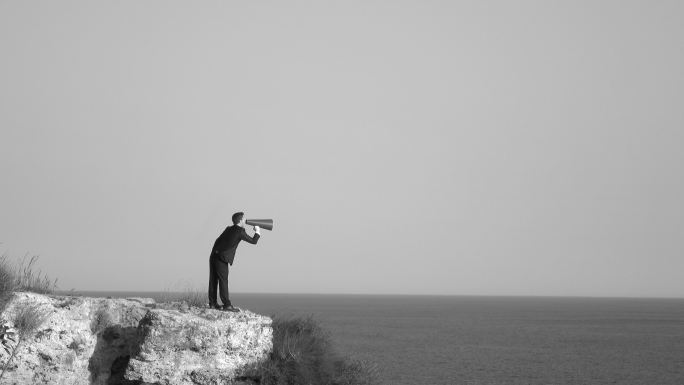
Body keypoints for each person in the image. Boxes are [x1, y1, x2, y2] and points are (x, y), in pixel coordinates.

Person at [208, 212, 260, 312]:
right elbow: (253, 241)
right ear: (240, 220)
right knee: (223, 280)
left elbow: (218, 240)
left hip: (214, 255)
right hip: (222, 258)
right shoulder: (240, 231)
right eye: (244, 219)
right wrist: (257, 231)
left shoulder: (228, 228)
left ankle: (213, 304)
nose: (245, 220)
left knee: (213, 280)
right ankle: (227, 305)